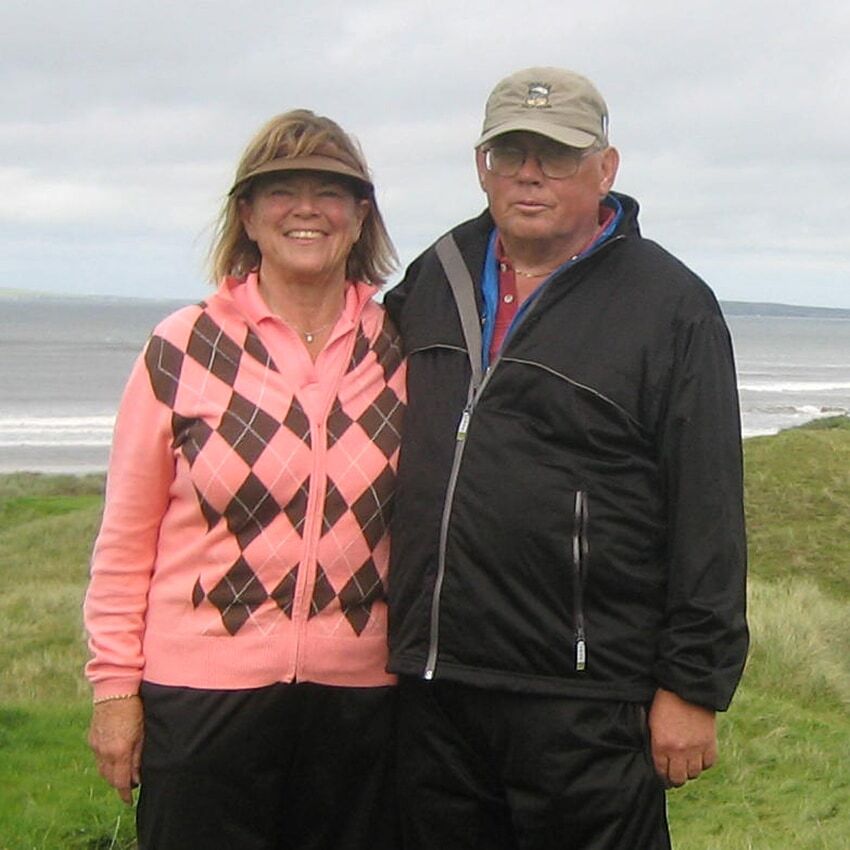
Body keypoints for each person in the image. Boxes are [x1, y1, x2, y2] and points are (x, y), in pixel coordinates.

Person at [384, 67, 748, 850]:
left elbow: (709, 507)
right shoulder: (438, 274)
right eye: (509, 153)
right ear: (481, 166)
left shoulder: (670, 304)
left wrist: (693, 686)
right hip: (436, 688)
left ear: (605, 168)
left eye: (555, 154)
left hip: (586, 699)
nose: (529, 173)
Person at [84, 109, 405, 849]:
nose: (306, 209)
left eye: (330, 192)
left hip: (361, 704)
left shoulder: (402, 348)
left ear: (360, 216)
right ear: (248, 215)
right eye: (281, 191)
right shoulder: (183, 347)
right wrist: (115, 690)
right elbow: (126, 538)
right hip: (201, 700)